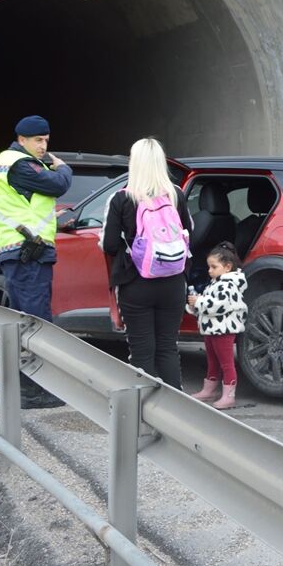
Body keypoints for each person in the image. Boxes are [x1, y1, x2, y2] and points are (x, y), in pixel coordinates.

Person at [0, 115, 73, 409]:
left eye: (46, 140)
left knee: (27, 320)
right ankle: (32, 391)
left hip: (25, 252)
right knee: (35, 322)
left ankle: (24, 387)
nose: (43, 146)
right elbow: (59, 183)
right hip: (27, 254)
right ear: (21, 139)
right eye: (38, 140)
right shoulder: (19, 164)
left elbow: (28, 206)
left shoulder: (14, 163)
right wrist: (62, 166)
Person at [100, 137, 192, 390]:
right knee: (168, 348)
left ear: (134, 163)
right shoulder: (176, 195)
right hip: (173, 282)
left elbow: (109, 245)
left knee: (142, 352)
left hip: (136, 282)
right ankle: (175, 408)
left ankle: (144, 409)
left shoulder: (121, 198)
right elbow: (188, 233)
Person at [186, 242, 248, 409]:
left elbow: (218, 305)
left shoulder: (229, 284)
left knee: (226, 363)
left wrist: (199, 301)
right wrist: (195, 305)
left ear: (227, 267)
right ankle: (210, 390)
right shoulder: (217, 282)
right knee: (212, 360)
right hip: (212, 329)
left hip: (223, 330)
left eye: (214, 267)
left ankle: (229, 395)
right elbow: (210, 306)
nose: (209, 270)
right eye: (209, 267)